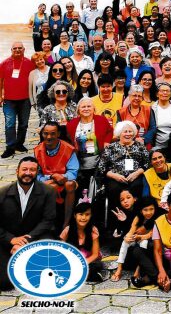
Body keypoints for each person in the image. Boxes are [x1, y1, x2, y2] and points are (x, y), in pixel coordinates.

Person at [0, 156, 57, 290]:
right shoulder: (2, 193)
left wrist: (24, 242)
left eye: (32, 170)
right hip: (8, 239)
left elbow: (48, 221)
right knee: (5, 283)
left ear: (37, 172)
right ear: (17, 171)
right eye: (24, 169)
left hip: (35, 237)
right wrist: (12, 240)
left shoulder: (48, 192)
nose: (28, 173)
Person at [97, 120, 150, 208]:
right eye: (125, 131)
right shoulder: (111, 147)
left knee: (137, 187)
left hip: (135, 177)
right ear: (119, 133)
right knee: (114, 189)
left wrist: (136, 173)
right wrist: (115, 176)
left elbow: (147, 163)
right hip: (115, 178)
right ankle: (116, 215)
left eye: (130, 131)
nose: (128, 134)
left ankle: (136, 214)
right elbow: (101, 167)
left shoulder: (140, 146)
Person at [35, 121, 79, 225]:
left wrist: (62, 177)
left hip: (64, 180)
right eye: (45, 133)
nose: (49, 137)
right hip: (48, 182)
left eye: (53, 133)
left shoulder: (68, 149)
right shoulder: (37, 150)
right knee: (50, 186)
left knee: (70, 184)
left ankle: (66, 222)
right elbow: (36, 173)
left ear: (58, 134)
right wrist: (50, 177)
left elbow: (73, 172)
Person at [1, 42, 35, 159]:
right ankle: (10, 147)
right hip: (9, 100)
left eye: (20, 48)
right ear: (11, 50)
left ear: (24, 49)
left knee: (24, 124)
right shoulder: (4, 63)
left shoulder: (29, 63)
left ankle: (19, 144)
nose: (17, 50)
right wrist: (0, 96)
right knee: (10, 124)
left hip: (25, 99)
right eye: (15, 48)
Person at [111, 195, 157, 282]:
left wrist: (140, 237)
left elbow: (150, 235)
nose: (149, 212)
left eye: (151, 209)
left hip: (149, 242)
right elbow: (132, 230)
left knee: (144, 243)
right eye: (145, 210)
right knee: (125, 243)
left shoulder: (156, 219)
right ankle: (119, 269)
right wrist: (127, 237)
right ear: (141, 210)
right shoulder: (138, 218)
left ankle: (137, 271)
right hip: (138, 238)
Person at [60, 201, 104, 283]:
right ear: (75, 215)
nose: (83, 218)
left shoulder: (93, 230)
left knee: (97, 265)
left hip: (89, 260)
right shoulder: (67, 230)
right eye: (80, 214)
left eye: (87, 214)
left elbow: (95, 254)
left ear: (91, 216)